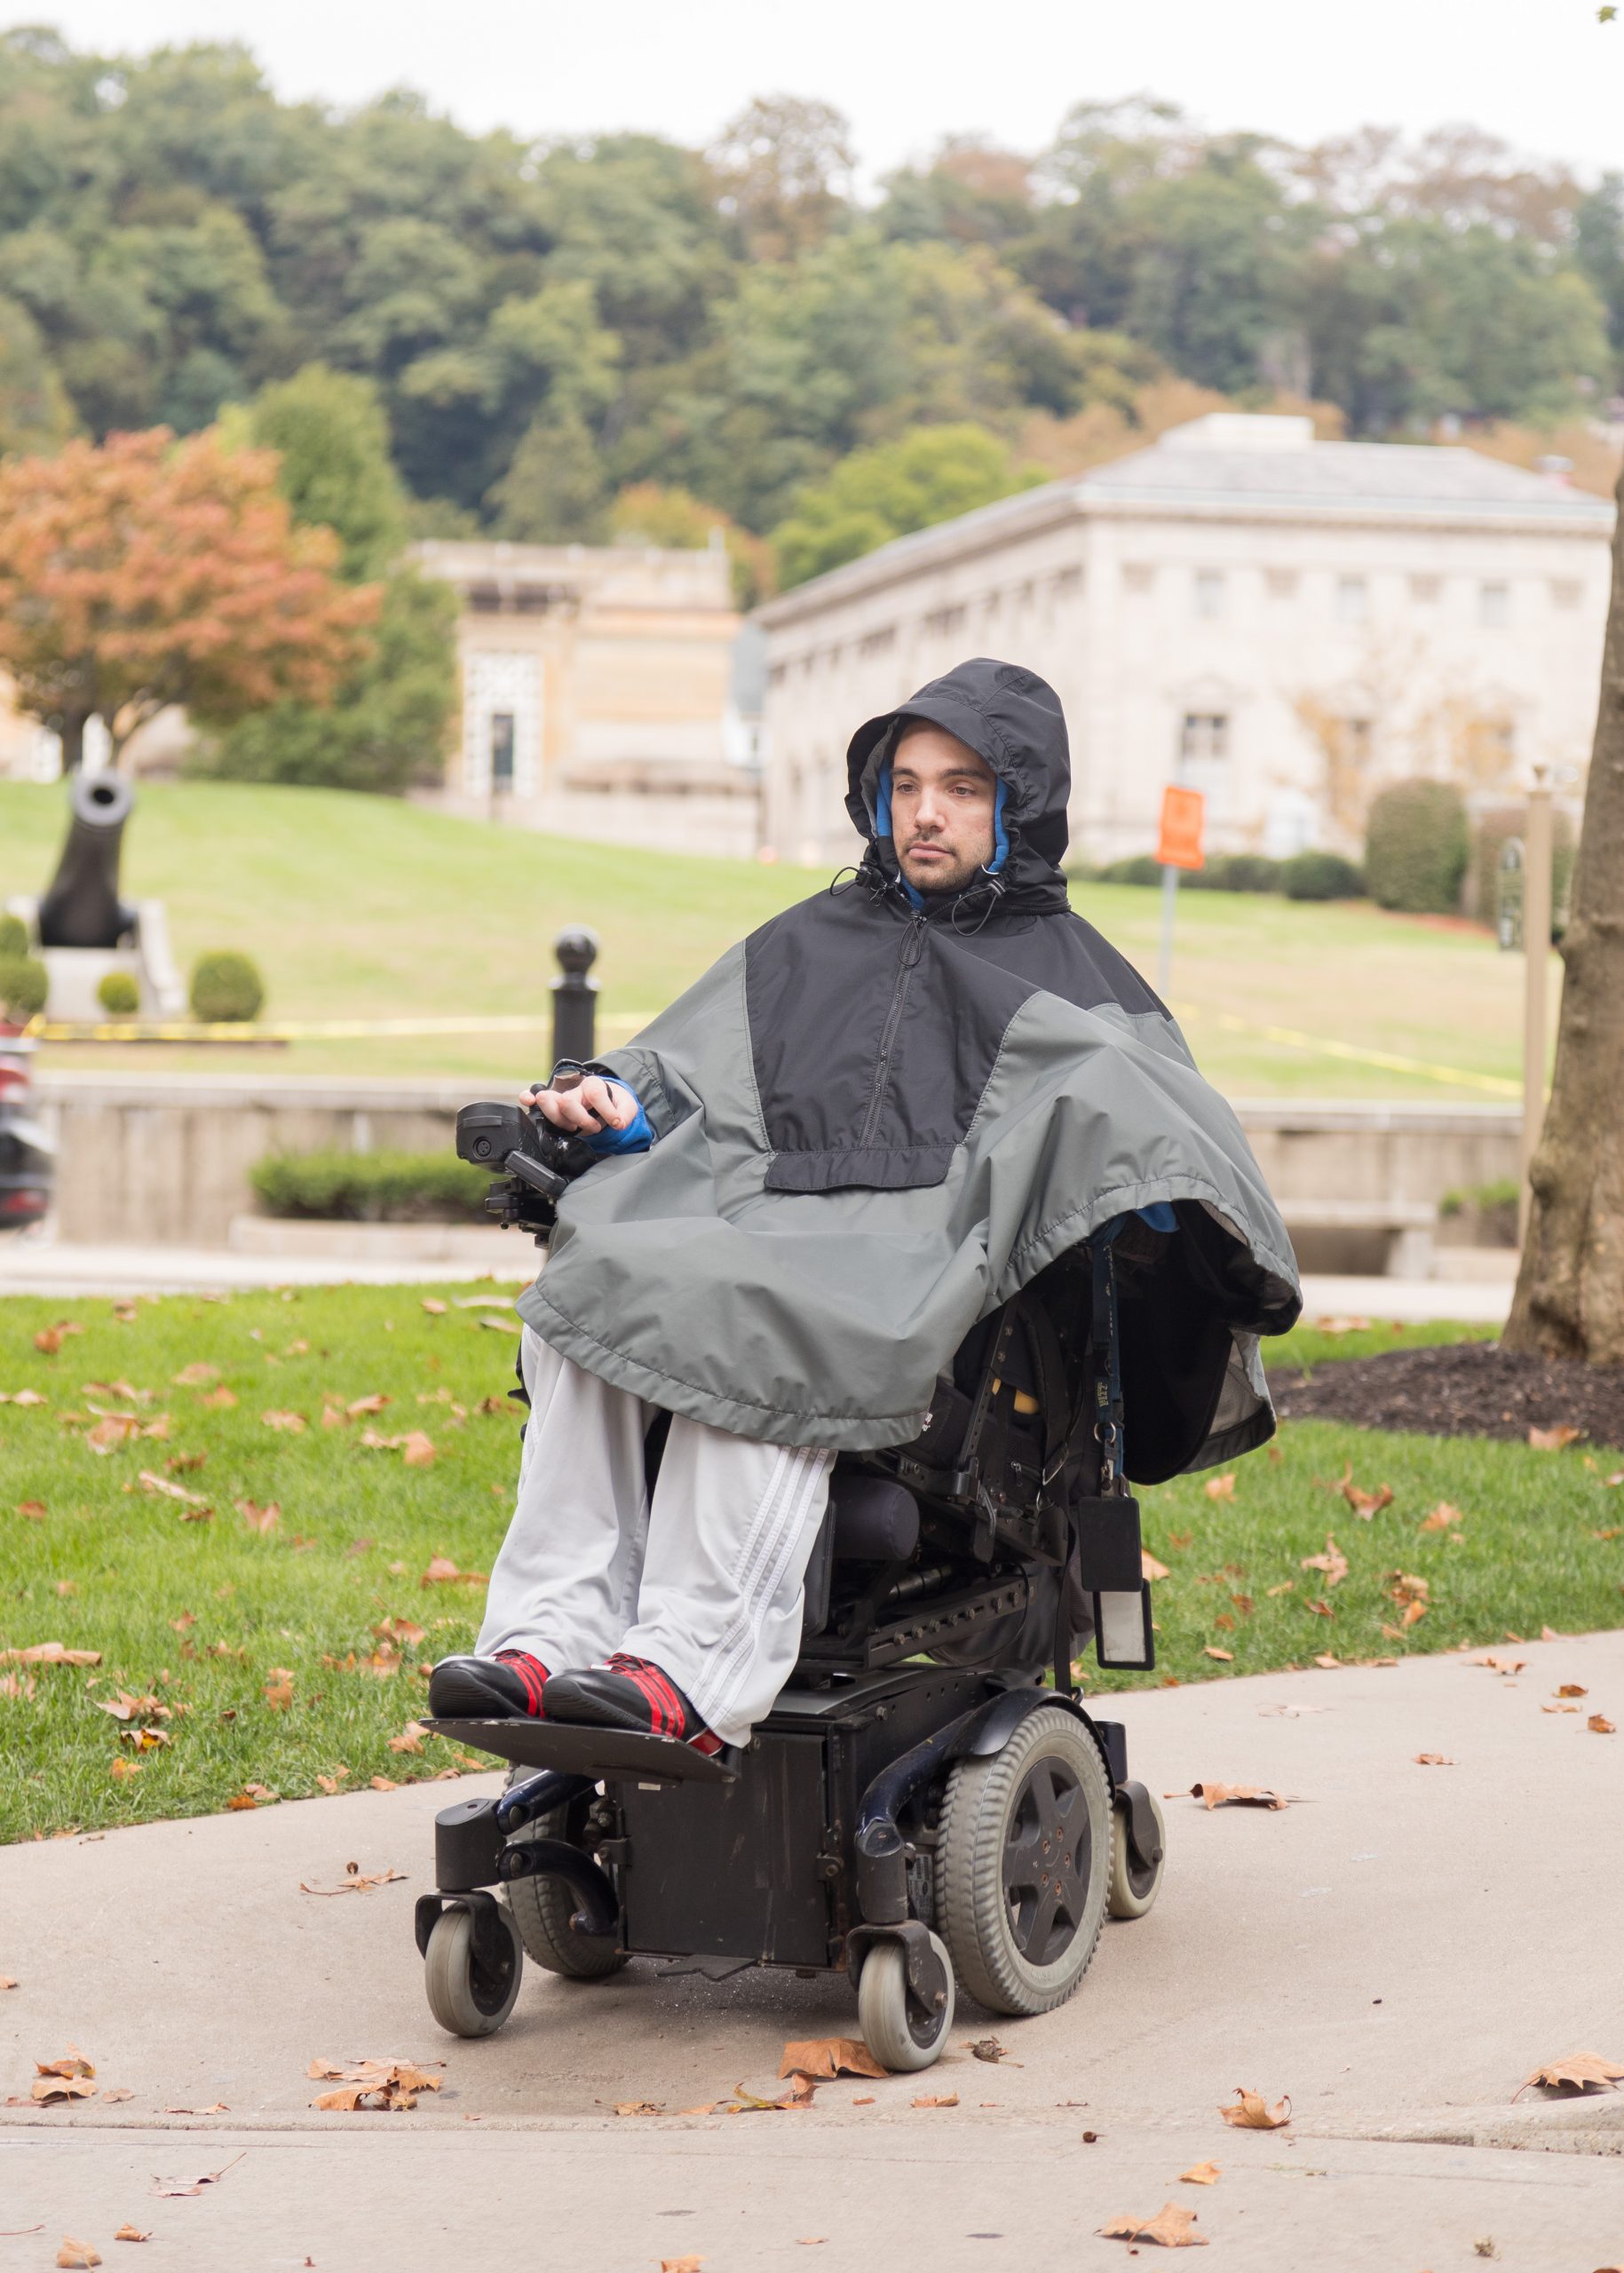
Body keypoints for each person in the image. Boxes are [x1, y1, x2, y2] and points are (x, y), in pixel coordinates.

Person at [430, 659, 1299, 1754]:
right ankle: (547, 1634)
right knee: (588, 1285)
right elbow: (686, 1068)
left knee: (753, 1311)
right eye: (905, 783)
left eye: (963, 786)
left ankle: (689, 1666)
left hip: (911, 1266)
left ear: (1019, 804)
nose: (924, 811)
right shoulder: (803, 942)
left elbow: (1164, 1125)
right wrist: (617, 1097)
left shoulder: (1076, 982)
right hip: (758, 1224)